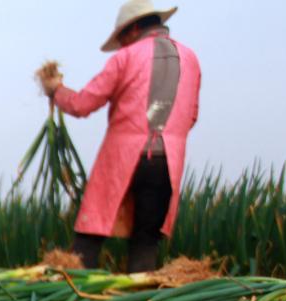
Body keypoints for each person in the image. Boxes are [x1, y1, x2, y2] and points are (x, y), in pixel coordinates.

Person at [38, 1, 200, 273]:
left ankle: (71, 295)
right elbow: (191, 115)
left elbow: (83, 104)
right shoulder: (190, 58)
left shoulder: (125, 58)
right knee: (146, 238)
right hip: (167, 161)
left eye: (123, 37)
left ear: (134, 28)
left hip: (124, 156)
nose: (123, 44)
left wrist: (56, 91)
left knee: (91, 231)